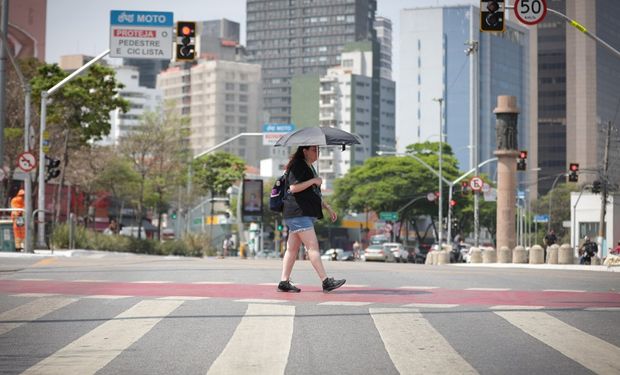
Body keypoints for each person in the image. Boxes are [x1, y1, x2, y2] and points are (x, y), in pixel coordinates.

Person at [278, 145, 346, 293]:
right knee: (312, 247)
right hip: (298, 213)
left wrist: (327, 207)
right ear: (305, 151)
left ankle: (284, 282)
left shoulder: (309, 167)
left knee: (292, 249)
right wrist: (314, 180)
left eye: (319, 150)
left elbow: (311, 194)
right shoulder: (298, 165)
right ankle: (325, 281)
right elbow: (294, 188)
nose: (318, 153)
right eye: (314, 150)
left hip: (301, 213)